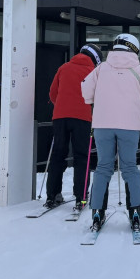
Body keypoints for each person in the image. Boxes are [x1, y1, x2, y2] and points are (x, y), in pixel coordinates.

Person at [80, 34, 140, 233]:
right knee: (129, 168)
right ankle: (135, 211)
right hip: (129, 126)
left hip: (102, 125)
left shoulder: (100, 69)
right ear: (134, 49)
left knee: (103, 167)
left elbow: (85, 93)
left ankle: (97, 211)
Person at [46, 43, 103, 210]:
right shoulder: (95, 72)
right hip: (82, 117)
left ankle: (52, 195)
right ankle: (81, 196)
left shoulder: (63, 68)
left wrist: (62, 105)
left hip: (60, 117)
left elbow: (52, 93)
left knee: (58, 155)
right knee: (81, 157)